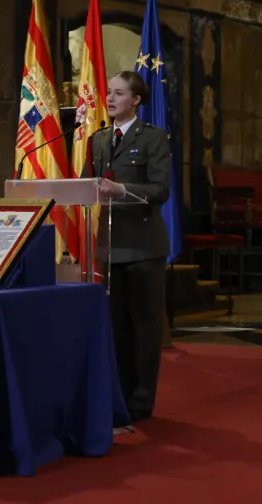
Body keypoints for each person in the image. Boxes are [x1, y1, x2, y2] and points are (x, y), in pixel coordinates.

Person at [86, 70, 171, 422]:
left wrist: (123, 192)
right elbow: (88, 184)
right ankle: (117, 397)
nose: (109, 99)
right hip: (110, 246)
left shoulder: (152, 138)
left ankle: (140, 400)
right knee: (116, 326)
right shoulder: (98, 140)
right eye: (108, 92)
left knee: (144, 327)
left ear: (135, 100)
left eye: (118, 93)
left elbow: (160, 190)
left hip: (143, 246)